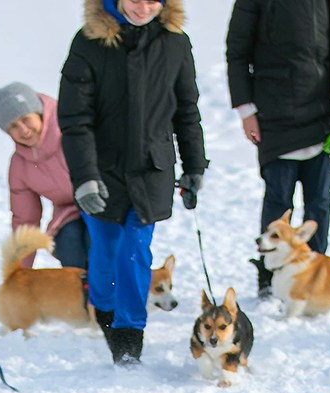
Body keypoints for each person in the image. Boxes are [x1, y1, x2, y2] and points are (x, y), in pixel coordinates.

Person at [58, 0, 206, 366]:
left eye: (152, 0)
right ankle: (106, 312)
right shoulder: (89, 43)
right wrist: (85, 178)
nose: (143, 7)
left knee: (135, 249)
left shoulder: (174, 43)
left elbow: (186, 110)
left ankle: (128, 338)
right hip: (102, 172)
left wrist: (194, 165)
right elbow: (75, 118)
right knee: (106, 252)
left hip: (151, 169)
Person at [225, 0, 330, 298]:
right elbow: (237, 51)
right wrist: (246, 110)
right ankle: (270, 272)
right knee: (278, 199)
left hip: (322, 111)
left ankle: (314, 270)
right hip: (274, 114)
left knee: (318, 200)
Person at [0, 81, 85, 273]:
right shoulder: (20, 165)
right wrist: (19, 272)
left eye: (26, 119)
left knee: (102, 242)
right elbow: (25, 220)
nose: (23, 130)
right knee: (68, 243)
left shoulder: (74, 130)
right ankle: (85, 296)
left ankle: (118, 294)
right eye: (13, 126)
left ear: (39, 113)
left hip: (106, 205)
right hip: (69, 215)